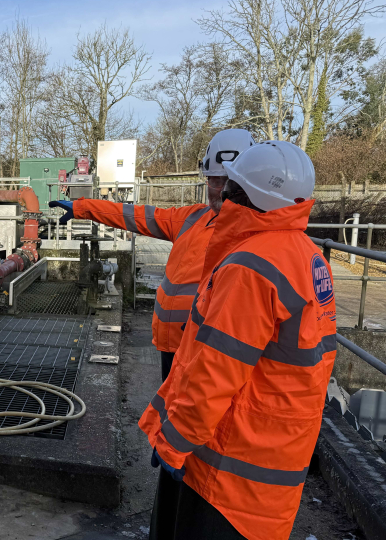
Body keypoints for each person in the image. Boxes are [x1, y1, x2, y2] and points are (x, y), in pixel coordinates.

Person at [139, 141, 337, 540]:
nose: (221, 191)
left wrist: (174, 442)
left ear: (243, 193)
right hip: (275, 462)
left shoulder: (251, 266)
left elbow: (215, 372)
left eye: (230, 185)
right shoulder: (308, 254)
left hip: (230, 472)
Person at [50, 129, 255, 381]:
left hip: (211, 354)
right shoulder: (193, 219)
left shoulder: (258, 238)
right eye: (215, 180)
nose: (222, 191)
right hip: (172, 345)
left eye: (232, 183)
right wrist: (84, 207)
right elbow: (136, 215)